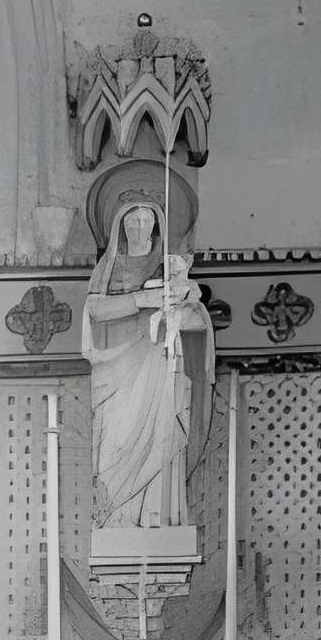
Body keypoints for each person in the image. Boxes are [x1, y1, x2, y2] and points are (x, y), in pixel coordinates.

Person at [82, 199, 213, 528]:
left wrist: (184, 302)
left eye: (146, 220)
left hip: (158, 362)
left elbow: (195, 321)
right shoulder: (109, 266)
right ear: (119, 227)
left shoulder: (168, 266)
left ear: (158, 226)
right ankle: (117, 518)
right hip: (117, 366)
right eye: (132, 221)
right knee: (115, 443)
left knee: (162, 436)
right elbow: (96, 310)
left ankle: (157, 517)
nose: (140, 227)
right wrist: (142, 299)